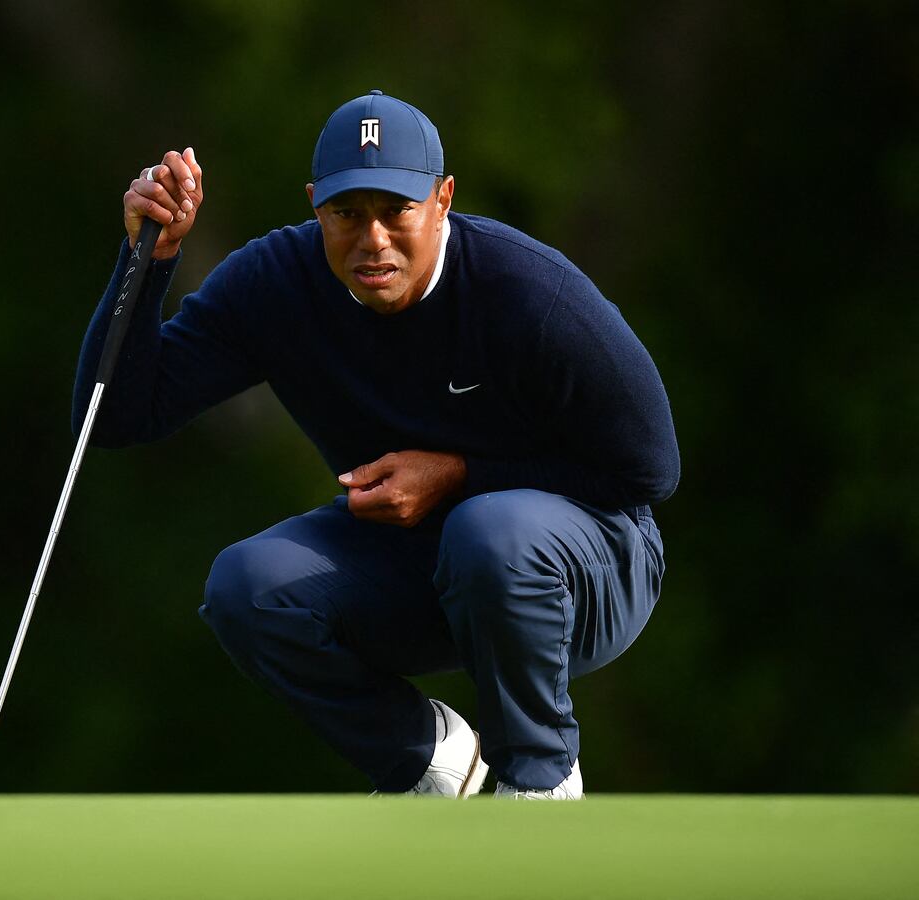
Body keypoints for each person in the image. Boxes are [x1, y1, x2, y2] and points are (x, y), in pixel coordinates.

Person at [71, 90, 679, 799]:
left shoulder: (526, 290)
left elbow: (649, 468)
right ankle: (428, 760)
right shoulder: (277, 283)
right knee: (248, 588)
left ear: (443, 199)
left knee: (490, 530)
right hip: (426, 567)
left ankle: (539, 778)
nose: (374, 239)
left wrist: (460, 474)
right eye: (346, 214)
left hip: (593, 566)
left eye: (397, 211)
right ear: (314, 207)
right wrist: (150, 259)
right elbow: (114, 417)